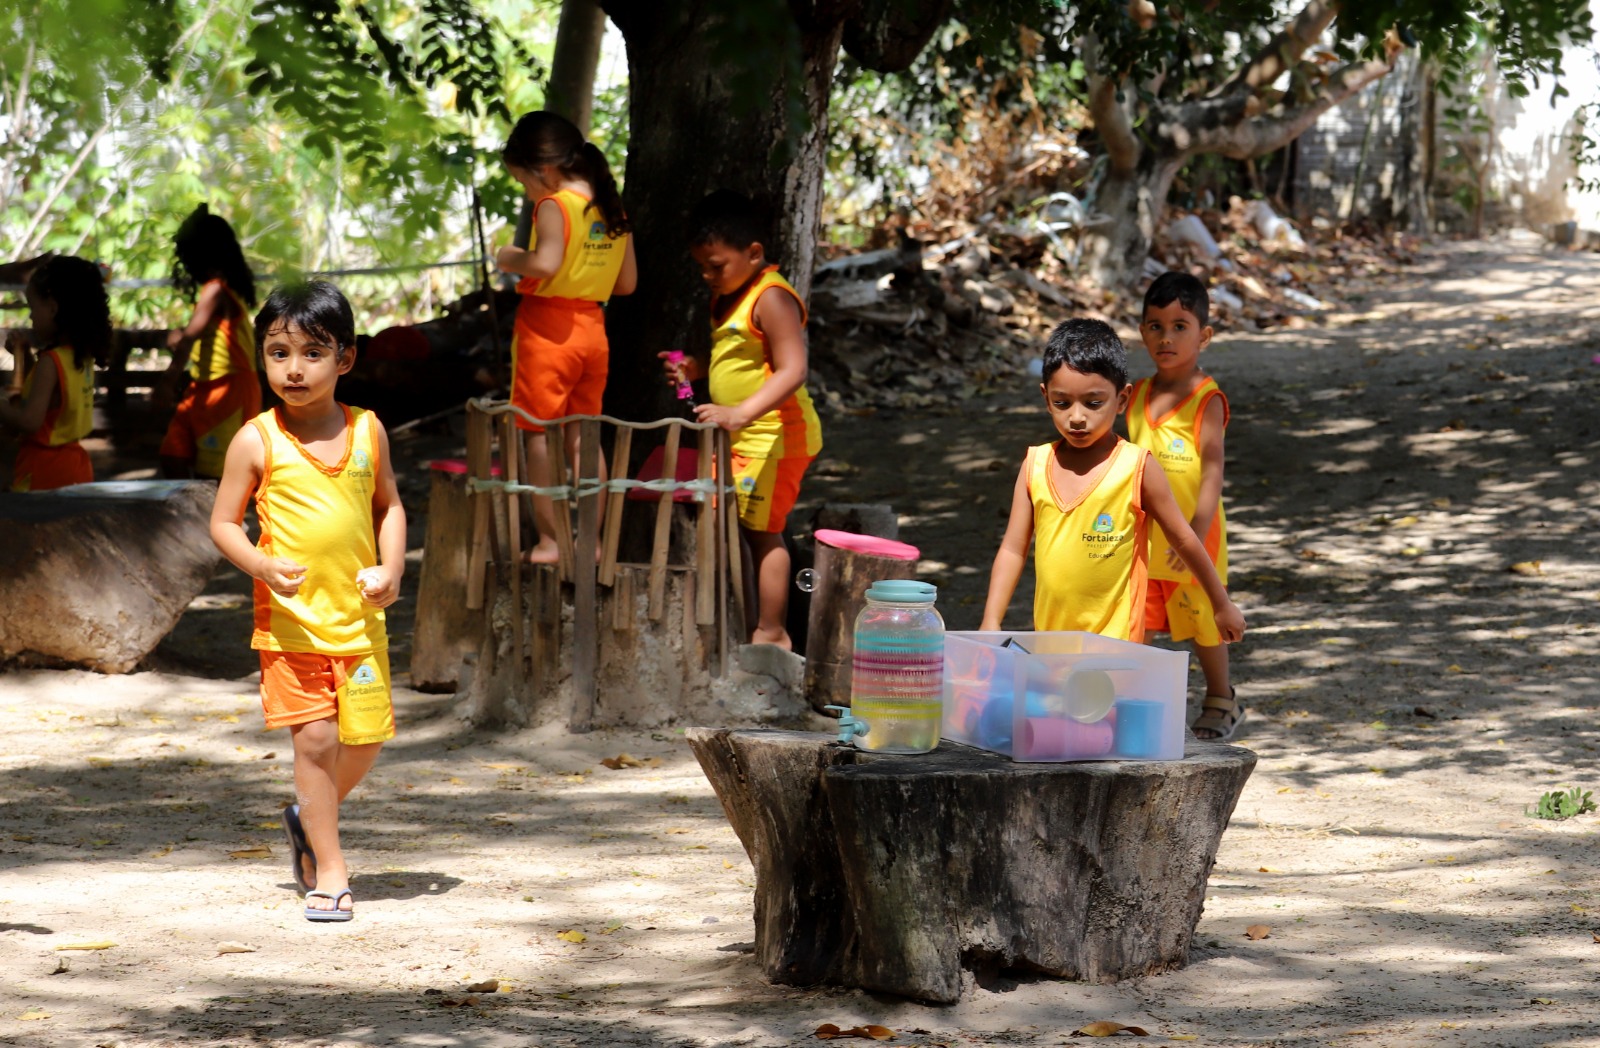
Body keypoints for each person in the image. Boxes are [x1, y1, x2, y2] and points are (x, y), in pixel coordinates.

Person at [209, 280, 405, 922]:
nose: (294, 369)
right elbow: (223, 524)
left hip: (359, 622)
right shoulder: (255, 440)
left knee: (366, 740)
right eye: (277, 353)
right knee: (315, 744)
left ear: (345, 359)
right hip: (291, 628)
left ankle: (305, 814)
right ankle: (330, 869)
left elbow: (390, 508)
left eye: (312, 354)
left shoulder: (368, 431)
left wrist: (392, 569)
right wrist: (261, 564)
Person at [979, 318, 1243, 658]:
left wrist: (1221, 604)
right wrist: (991, 620)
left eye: (1093, 403)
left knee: (1105, 712)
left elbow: (1183, 538)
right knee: (1053, 712)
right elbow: (1013, 550)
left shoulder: (1136, 467)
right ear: (1046, 398)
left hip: (1117, 646)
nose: (1076, 417)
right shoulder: (1035, 465)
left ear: (1122, 400)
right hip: (1052, 644)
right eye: (1062, 403)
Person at [660, 189, 823, 650]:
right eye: (703, 267)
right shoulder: (731, 295)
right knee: (738, 529)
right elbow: (741, 359)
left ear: (754, 254)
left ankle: (772, 634)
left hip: (776, 437)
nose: (708, 275)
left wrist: (739, 412)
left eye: (717, 265)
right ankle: (747, 624)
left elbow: (794, 369)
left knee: (764, 532)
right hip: (744, 437)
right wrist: (694, 370)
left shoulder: (771, 297)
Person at [494, 111, 637, 564]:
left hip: (548, 331)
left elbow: (546, 264)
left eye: (523, 182)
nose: (527, 192)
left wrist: (510, 256)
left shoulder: (555, 205)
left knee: (538, 433)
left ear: (545, 169)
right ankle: (590, 543)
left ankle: (553, 541)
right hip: (593, 331)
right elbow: (626, 284)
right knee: (583, 435)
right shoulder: (611, 207)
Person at [1129, 272, 1242, 739]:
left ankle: (1222, 697)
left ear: (1205, 335)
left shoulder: (1206, 398)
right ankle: (1139, 701)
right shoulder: (1134, 394)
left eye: (1180, 326)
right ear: (1141, 333)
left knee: (1203, 619)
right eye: (1155, 326)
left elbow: (1212, 469)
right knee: (1143, 617)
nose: (1166, 337)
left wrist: (1195, 528)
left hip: (1196, 532)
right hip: (1145, 533)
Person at [160, 204, 261, 479]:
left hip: (228, 390)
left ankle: (217, 520)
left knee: (219, 474)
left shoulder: (217, 289)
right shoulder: (216, 291)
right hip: (203, 389)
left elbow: (190, 338)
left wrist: (168, 380)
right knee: (173, 454)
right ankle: (188, 516)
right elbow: (199, 333)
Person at [0, 255, 109, 491]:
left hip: (44, 472)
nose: (30, 316)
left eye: (32, 307)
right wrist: (25, 357)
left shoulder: (51, 362)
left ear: (52, 309)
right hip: (76, 468)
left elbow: (30, 421)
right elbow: (46, 399)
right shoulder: (80, 357)